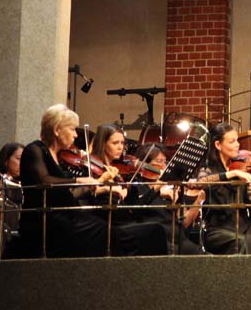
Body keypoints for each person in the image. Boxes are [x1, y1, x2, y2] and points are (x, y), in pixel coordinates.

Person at [18, 103, 167, 257]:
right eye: (72, 129)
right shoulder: (35, 149)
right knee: (108, 235)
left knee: (118, 234)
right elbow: (44, 181)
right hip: (46, 220)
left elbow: (69, 194)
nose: (76, 135)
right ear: (57, 130)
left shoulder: (59, 156)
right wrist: (78, 180)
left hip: (68, 216)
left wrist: (97, 187)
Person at [193, 122, 251, 254]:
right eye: (232, 141)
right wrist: (232, 174)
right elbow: (200, 183)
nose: (237, 145)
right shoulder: (209, 168)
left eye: (237, 140)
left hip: (242, 227)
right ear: (218, 145)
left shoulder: (242, 168)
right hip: (217, 230)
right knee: (239, 241)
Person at [124, 143, 202, 254]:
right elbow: (137, 209)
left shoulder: (170, 189)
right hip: (158, 241)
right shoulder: (137, 188)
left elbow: (184, 223)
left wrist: (197, 200)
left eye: (165, 162)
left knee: (206, 257)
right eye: (159, 161)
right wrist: (158, 187)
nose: (164, 167)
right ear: (144, 164)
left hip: (179, 239)